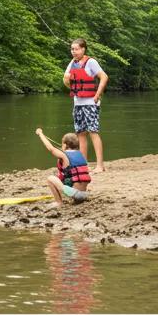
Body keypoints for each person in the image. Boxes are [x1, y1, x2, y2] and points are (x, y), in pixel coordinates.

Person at [63, 38, 108, 172]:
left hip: (90, 103)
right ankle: (84, 165)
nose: (74, 51)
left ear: (83, 49)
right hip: (78, 103)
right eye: (72, 49)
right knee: (81, 133)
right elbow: (66, 78)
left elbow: (104, 77)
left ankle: (100, 165)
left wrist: (97, 94)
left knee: (93, 132)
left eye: (76, 49)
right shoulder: (73, 63)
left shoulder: (91, 62)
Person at [35, 128, 91, 205]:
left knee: (50, 178)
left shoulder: (64, 156)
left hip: (75, 194)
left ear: (64, 145)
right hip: (84, 194)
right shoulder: (80, 154)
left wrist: (40, 134)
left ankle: (59, 202)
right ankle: (75, 199)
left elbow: (51, 148)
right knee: (62, 177)